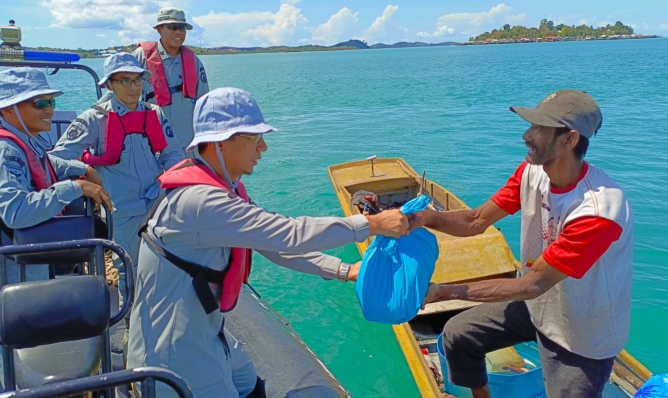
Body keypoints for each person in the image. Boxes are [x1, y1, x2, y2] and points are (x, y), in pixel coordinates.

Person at [127, 87, 409, 398]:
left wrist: (345, 270)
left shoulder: (222, 188)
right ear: (220, 141)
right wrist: (370, 224)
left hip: (205, 330)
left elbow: (273, 244)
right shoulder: (200, 202)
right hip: (174, 354)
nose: (263, 147)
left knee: (247, 381)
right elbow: (288, 233)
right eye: (253, 136)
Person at [409, 89, 633, 398]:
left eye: (539, 128)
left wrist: (443, 292)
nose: (527, 135)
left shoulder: (598, 211)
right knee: (459, 335)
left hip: (581, 334)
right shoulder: (532, 172)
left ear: (569, 139)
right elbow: (476, 220)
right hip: (538, 308)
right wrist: (422, 219)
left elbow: (532, 284)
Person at [0, 67, 111, 392]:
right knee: (10, 372)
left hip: (24, 278)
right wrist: (75, 188)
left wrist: (82, 168)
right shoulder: (3, 153)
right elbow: (16, 210)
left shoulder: (23, 146)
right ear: (8, 110)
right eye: (40, 103)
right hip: (1, 283)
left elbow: (46, 164)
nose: (50, 109)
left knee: (29, 367)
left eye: (50, 101)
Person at [50, 53, 184, 305]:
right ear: (109, 84)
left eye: (137, 80)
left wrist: (172, 180)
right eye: (125, 81)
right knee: (130, 270)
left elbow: (173, 153)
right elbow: (56, 159)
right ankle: (133, 327)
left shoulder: (154, 113)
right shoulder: (93, 119)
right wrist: (86, 172)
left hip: (158, 201)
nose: (133, 87)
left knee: (167, 264)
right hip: (121, 208)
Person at [131, 7, 210, 157]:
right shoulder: (141, 56)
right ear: (159, 29)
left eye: (182, 28)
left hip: (187, 144)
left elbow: (205, 102)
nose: (178, 32)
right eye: (172, 27)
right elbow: (118, 88)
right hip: (151, 142)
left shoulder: (193, 61)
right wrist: (98, 112)